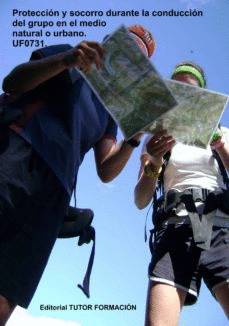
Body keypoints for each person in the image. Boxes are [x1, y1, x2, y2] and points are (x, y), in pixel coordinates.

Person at [0, 24, 155, 326]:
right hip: (15, 155)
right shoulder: (69, 55)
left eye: (139, 61)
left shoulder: (112, 110)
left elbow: (106, 169)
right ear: (109, 44)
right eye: (126, 47)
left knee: (7, 294)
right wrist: (66, 60)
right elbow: (13, 81)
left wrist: (133, 141)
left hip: (53, 195)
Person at [134, 62, 229, 326]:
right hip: (175, 226)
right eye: (175, 88)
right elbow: (141, 200)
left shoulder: (223, 134)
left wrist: (220, 146)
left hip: (220, 226)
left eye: (189, 89)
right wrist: (153, 162)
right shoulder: (156, 140)